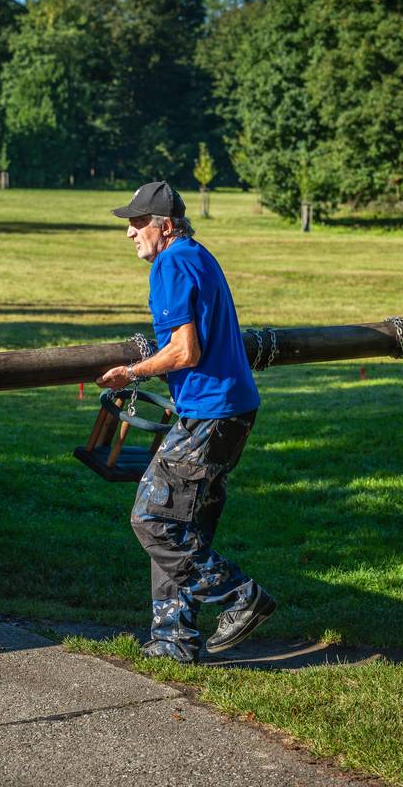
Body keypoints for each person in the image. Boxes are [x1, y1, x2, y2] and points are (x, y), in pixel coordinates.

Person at [97, 181, 274, 664]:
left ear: (165, 226)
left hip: (210, 413)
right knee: (181, 522)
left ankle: (239, 596)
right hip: (231, 409)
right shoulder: (199, 255)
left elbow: (184, 350)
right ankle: (172, 639)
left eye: (136, 224)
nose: (129, 234)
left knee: (152, 518)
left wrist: (130, 372)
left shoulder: (171, 263)